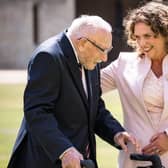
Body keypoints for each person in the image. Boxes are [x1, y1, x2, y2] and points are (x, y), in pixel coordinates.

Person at [7, 15, 138, 168]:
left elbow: (94, 107)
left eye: (108, 50)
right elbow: (37, 112)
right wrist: (64, 151)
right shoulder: (48, 57)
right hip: (46, 161)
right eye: (102, 50)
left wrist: (116, 133)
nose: (104, 58)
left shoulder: (89, 58)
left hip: (81, 161)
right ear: (82, 43)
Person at [101, 1, 168, 168]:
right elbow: (86, 86)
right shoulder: (123, 63)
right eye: (137, 37)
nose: (142, 43)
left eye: (148, 36)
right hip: (134, 159)